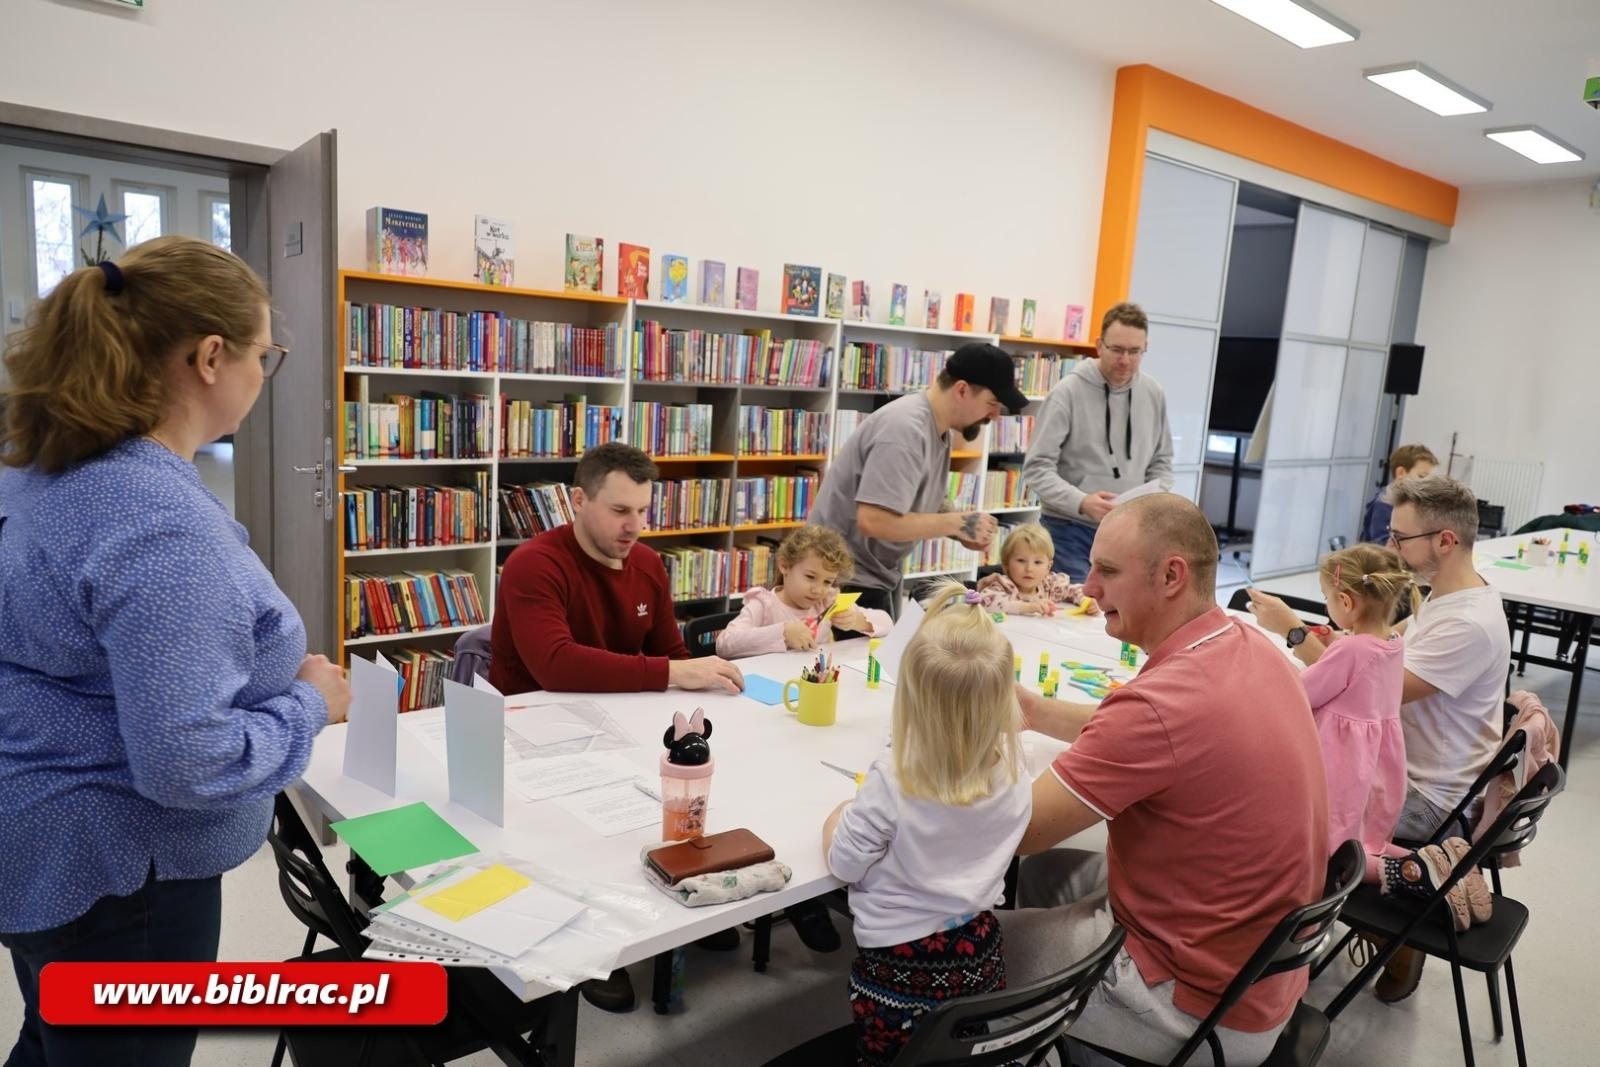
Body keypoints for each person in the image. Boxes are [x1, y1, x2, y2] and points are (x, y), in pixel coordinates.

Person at [0, 238, 350, 1067]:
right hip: (123, 874)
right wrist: (312, 703)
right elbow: (186, 765)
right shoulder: (158, 521)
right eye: (267, 355)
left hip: (43, 837)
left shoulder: (43, 470)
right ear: (210, 357)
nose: (266, 377)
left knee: (53, 1039)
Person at [1003, 495, 1326, 1067]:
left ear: (1171, 575)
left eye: (1107, 571)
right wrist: (1036, 711)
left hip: (1196, 1010)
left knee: (961, 954)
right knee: (1050, 876)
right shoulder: (1250, 645)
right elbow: (1155, 741)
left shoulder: (1160, 705)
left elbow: (1016, 831)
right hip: (1258, 972)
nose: (1086, 588)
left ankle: (1065, 1039)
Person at [1247, 474, 1508, 1001]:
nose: (1392, 547)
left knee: (1259, 800)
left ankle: (1287, 944)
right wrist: (1333, 636)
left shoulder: (1468, 623)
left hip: (1428, 796)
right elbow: (1374, 658)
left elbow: (1369, 689)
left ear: (1445, 540)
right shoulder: (1444, 599)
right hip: (1405, 769)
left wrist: (1294, 631)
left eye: (1401, 537)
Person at [824, 581, 1031, 1067]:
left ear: (912, 697)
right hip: (980, 955)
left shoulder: (896, 777)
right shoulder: (1015, 769)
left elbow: (845, 864)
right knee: (956, 1053)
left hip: (898, 972)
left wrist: (836, 819)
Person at [490, 442, 744, 697]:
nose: (635, 527)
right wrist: (672, 672)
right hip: (528, 720)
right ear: (578, 500)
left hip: (613, 711)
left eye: (642, 510)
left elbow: (673, 655)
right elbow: (555, 664)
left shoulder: (648, 564)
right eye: (620, 511)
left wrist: (693, 677)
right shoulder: (533, 564)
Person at [809, 343, 1026, 613]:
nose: (995, 415)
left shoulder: (936, 427)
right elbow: (874, 520)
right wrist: (957, 524)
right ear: (961, 390)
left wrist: (962, 528)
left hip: (863, 577)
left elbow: (918, 493)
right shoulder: (905, 430)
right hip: (835, 584)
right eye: (992, 404)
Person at [1022, 302, 1174, 582]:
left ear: (1145, 348)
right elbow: (1036, 468)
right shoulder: (1067, 392)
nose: (1125, 360)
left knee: (1119, 619)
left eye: (1134, 351)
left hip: (1131, 533)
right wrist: (1082, 502)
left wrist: (1154, 499)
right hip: (1069, 530)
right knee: (1073, 619)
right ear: (1099, 345)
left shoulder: (1153, 392)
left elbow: (1162, 462)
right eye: (1116, 350)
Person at [715, 525, 891, 658]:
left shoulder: (827, 602)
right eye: (810, 577)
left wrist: (857, 621)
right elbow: (724, 643)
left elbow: (887, 622)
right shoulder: (765, 604)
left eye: (828, 581)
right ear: (785, 565)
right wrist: (782, 633)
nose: (818, 589)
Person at [975, 522, 1095, 616]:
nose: (1029, 569)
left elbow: (1073, 590)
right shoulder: (1003, 585)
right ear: (1006, 563)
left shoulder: (1050, 585)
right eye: (1021, 561)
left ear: (1048, 566)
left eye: (1038, 562)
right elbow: (986, 603)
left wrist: (1086, 601)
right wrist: (1028, 607)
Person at [1360, 443, 1437, 543]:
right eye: (1422, 476)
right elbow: (1382, 545)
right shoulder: (1383, 504)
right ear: (1401, 473)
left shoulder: (1413, 500)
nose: (1428, 484)